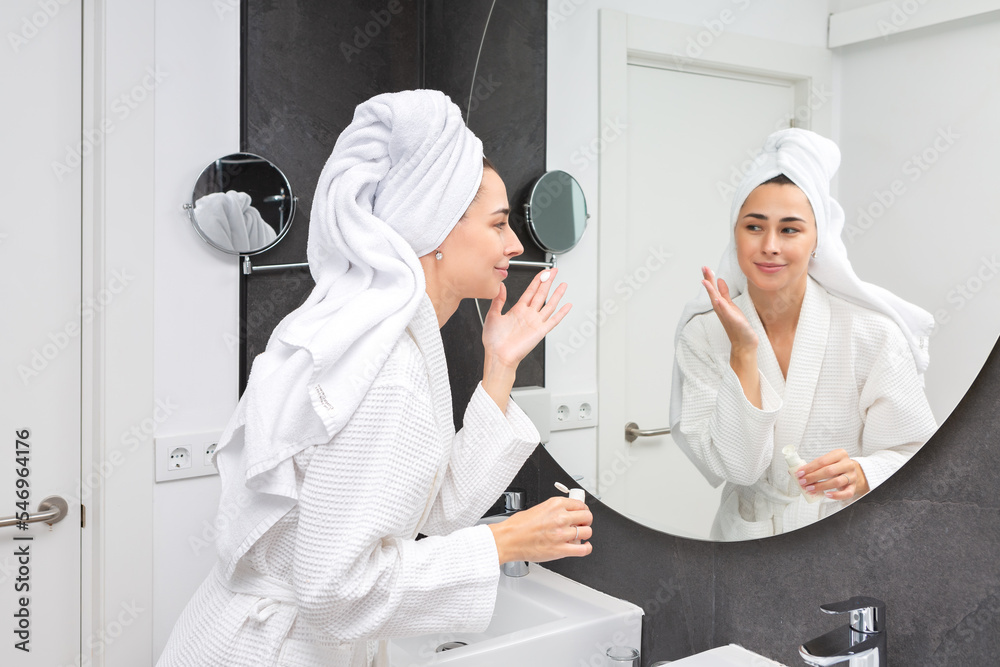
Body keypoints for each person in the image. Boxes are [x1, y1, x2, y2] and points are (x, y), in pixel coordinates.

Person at [157, 90, 593, 667]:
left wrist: (500, 366)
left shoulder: (377, 338)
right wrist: (501, 543)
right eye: (498, 224)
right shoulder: (389, 371)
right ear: (436, 228)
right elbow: (334, 593)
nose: (516, 244)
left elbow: (433, 511)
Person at [668, 128, 937, 541]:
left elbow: (915, 452)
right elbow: (737, 468)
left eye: (790, 230)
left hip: (841, 535)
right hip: (745, 539)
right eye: (754, 227)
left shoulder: (871, 333)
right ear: (735, 233)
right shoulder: (704, 333)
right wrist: (743, 350)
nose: (770, 246)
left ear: (817, 240)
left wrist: (865, 472)